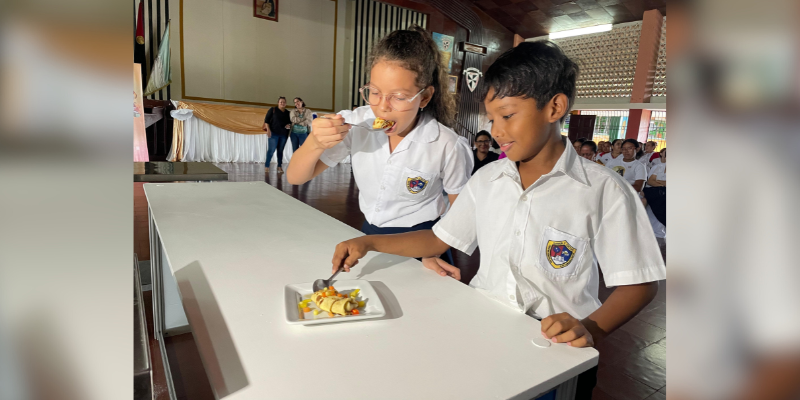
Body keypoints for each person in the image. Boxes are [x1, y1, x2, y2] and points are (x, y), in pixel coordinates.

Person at [329, 41, 665, 400]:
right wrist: (368, 242)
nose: (497, 131)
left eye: (507, 115)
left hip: (555, 349)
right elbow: (439, 239)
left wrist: (590, 328)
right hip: (482, 330)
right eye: (491, 119)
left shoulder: (603, 191)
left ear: (555, 107)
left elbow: (640, 284)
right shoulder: (487, 180)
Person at [286, 26, 473, 266]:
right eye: (374, 92)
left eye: (399, 97)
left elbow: (459, 223)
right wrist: (314, 142)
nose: (383, 107)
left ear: (424, 97)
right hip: (368, 238)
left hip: (424, 246)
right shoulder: (357, 123)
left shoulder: (447, 145)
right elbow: (295, 177)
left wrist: (430, 250)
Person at [263, 96, 292, 173]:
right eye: (281, 102)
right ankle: (267, 166)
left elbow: (290, 123)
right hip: (273, 133)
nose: (282, 103)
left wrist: (289, 125)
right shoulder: (273, 110)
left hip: (284, 135)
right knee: (271, 150)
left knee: (280, 151)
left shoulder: (288, 113)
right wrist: (268, 130)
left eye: (284, 102)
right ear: (278, 103)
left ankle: (279, 166)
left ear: (286, 103)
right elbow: (266, 120)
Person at [643, 148, 666, 226]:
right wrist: (663, 184)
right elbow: (650, 181)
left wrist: (658, 181)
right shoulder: (659, 166)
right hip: (656, 191)